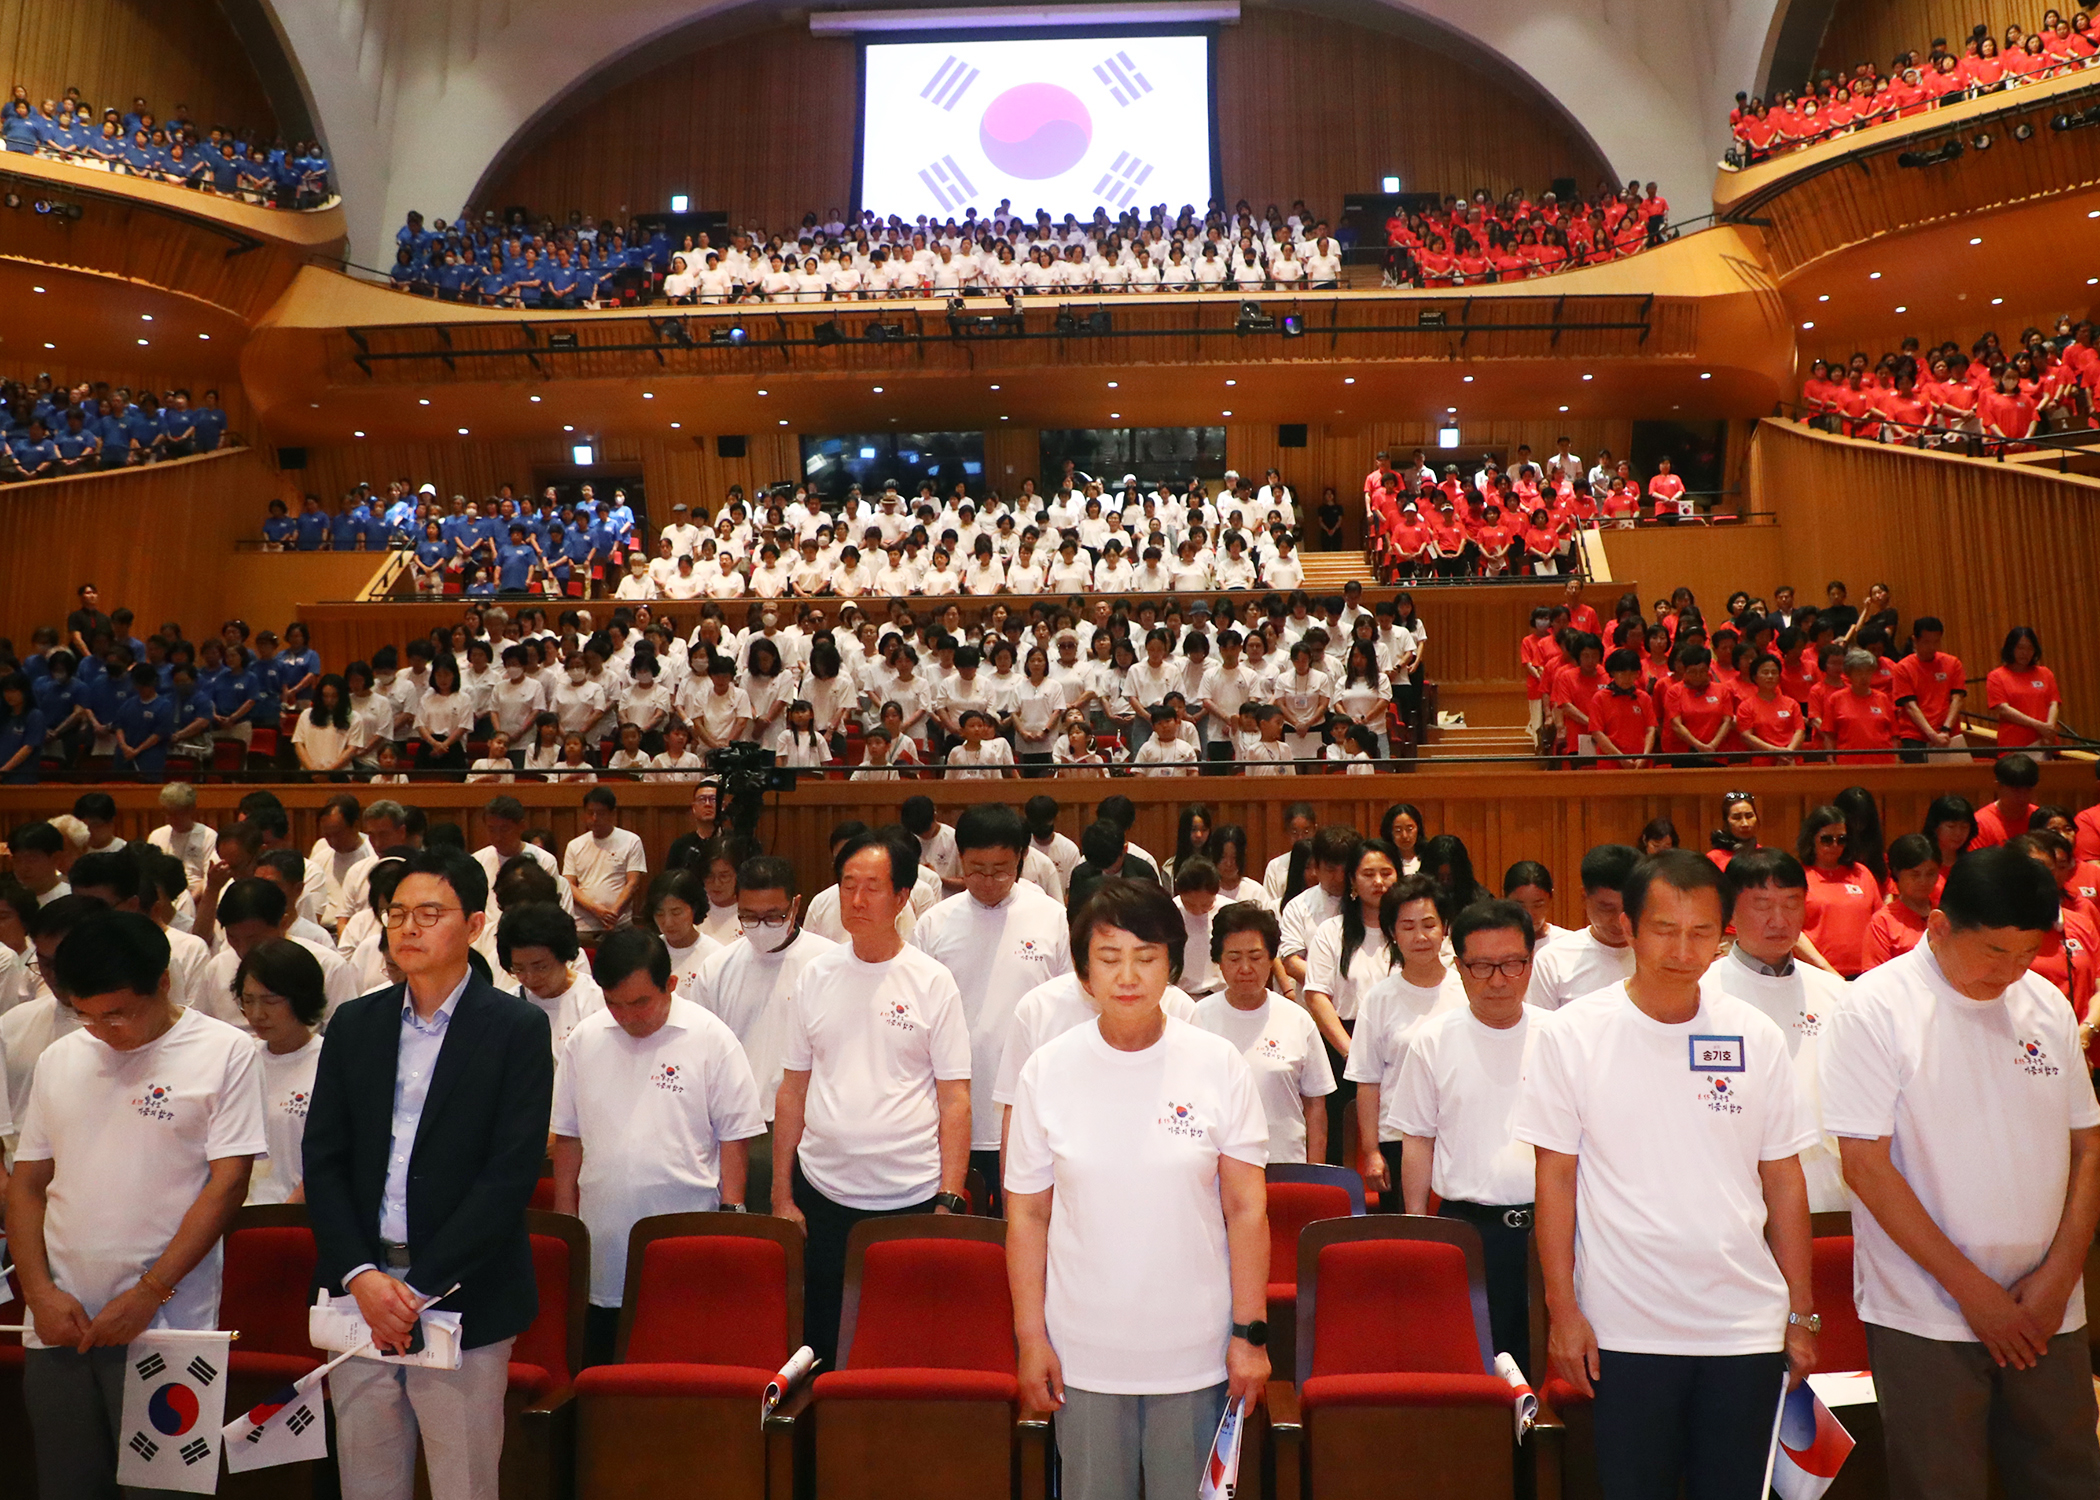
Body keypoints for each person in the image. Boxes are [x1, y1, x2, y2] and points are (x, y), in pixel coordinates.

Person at [1516, 851, 1819, 1499]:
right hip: (1625, 1329)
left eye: (1701, 931)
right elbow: (1556, 1183)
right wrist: (1562, 1309)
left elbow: (1785, 1181)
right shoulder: (1573, 1035)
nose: (1684, 949)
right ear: (1628, 926)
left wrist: (1803, 1313)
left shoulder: (1755, 1036)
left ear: (1723, 932)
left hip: (1744, 1329)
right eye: (1665, 928)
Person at [1822, 845, 2100, 1499]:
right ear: (1941, 926)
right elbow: (1865, 1167)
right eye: (1993, 953)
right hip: (1927, 1314)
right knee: (1940, 1486)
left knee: (2067, 1480)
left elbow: (2088, 1148)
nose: (2009, 972)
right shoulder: (1875, 1009)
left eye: (2025, 953)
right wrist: (1974, 1294)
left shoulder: (2047, 1006)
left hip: (2048, 1309)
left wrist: (2063, 1272)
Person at [302, 848, 554, 1500]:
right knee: (367, 1483)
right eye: (397, 914)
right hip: (359, 1290)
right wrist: (361, 1274)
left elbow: (510, 1173)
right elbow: (323, 1158)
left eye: (429, 914)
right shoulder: (356, 1023)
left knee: (462, 1484)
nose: (408, 927)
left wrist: (420, 1289)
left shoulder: (515, 1029)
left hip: (460, 1295)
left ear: (474, 926)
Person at [1006, 879, 1270, 1500]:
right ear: (1082, 971)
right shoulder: (1046, 1070)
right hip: (1084, 1353)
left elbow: (1247, 1209)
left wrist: (1249, 1335)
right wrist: (1030, 1339)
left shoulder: (1217, 1063)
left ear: (1172, 966)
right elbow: (1027, 1219)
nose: (1128, 976)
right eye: (1108, 958)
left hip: (1196, 1352)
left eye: (1146, 958)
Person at [9, 908, 265, 1500]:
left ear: (163, 983)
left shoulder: (224, 1052)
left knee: (164, 1492)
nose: (103, 1030)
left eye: (119, 1013)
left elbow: (227, 1185)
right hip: (58, 1321)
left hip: (169, 1326)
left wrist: (149, 1292)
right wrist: (40, 1292)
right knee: (67, 1486)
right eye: (86, 1014)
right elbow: (26, 1186)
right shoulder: (61, 1059)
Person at [772, 827, 971, 1367]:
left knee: (904, 1345)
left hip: (910, 1193)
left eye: (873, 887)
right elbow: (793, 1089)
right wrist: (782, 1194)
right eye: (847, 884)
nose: (856, 900)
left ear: (903, 897)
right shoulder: (815, 975)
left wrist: (949, 1199)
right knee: (822, 1343)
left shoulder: (932, 981)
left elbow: (955, 1099)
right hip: (823, 1192)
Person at [553, 928, 765, 1366]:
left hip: (687, 1232)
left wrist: (733, 1213)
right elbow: (568, 1136)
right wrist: (564, 1217)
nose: (627, 1016)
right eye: (614, 1003)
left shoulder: (711, 1038)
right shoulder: (586, 1039)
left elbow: (734, 1137)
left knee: (682, 1357)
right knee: (606, 1363)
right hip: (603, 1236)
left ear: (670, 985)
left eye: (640, 1003)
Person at [1391, 898, 1541, 1372]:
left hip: (1552, 1231)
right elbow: (1417, 1139)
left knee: (1545, 1362)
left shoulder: (1562, 1037)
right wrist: (1416, 1231)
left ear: (1531, 962)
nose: (1498, 980)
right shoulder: (1433, 1040)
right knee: (1473, 1367)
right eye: (1481, 966)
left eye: (1512, 964)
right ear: (1459, 967)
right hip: (1467, 1231)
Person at [907, 804, 1071, 1211]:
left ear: (1022, 859)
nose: (988, 881)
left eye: (1001, 869)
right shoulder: (934, 924)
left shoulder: (1053, 918)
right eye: (976, 869)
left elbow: (1069, 1012)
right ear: (959, 858)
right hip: (954, 1110)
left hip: (1032, 1108)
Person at [684, 854, 836, 1215]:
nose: (761, 926)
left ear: (796, 905)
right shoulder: (718, 967)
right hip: (740, 1126)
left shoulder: (829, 964)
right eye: (749, 916)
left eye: (774, 916)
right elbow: (701, 1054)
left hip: (811, 1125)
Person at [1710, 850, 1849, 1212]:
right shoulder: (1701, 993)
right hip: (1735, 1196)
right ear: (1728, 910)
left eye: (1791, 903)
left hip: (1830, 1192)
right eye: (1761, 904)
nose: (1778, 919)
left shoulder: (1836, 994)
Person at [1349, 876, 1468, 1198]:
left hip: (1459, 1136)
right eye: (1407, 926)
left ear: (1445, 928)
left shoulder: (1468, 990)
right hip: (1397, 1139)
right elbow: (1368, 1080)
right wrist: (1371, 1151)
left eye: (1429, 925)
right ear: (1392, 933)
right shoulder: (1379, 998)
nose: (1420, 937)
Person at [1193, 902, 1334, 1165]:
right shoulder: (1197, 1018)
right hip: (1216, 1165)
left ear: (1271, 960)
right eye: (1234, 958)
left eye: (1256, 957)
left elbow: (1316, 1106)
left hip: (1286, 1164)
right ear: (1218, 962)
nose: (1245, 968)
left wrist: (1314, 1172)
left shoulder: (1297, 1019)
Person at [237, 938, 328, 1205]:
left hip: (302, 1215)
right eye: (248, 1000)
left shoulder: (329, 1062)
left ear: (301, 997)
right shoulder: (241, 1060)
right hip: (242, 1215)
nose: (256, 1014)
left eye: (270, 1001)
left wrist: (288, 1212)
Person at [1524, 844, 1640, 1009]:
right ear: (1584, 898)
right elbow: (1542, 1029)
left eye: (1629, 909)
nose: (1618, 921)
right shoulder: (1553, 961)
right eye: (1607, 908)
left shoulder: (1658, 956)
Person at [496, 901, 604, 1053]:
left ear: (563, 956)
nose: (530, 978)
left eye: (540, 967)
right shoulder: (508, 1007)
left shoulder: (594, 1001)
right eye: (519, 969)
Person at [1798, 804, 1883, 978]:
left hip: (1865, 974)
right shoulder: (1799, 876)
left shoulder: (1862, 873)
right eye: (1827, 839)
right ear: (1812, 839)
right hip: (1816, 974)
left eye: (1841, 839)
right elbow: (1793, 932)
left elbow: (1879, 923)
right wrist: (1827, 971)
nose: (1835, 845)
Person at [562, 785, 647, 935]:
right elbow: (569, 884)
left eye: (601, 813)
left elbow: (633, 883)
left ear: (612, 813)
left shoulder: (631, 840)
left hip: (619, 924)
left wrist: (611, 915)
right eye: (590, 813)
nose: (594, 818)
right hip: (583, 925)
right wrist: (596, 910)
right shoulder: (574, 845)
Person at [1863, 834, 1936, 969]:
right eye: (1915, 874)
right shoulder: (1882, 922)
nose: (1923, 881)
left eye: (1930, 874)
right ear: (1897, 873)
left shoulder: (1946, 913)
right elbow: (1874, 977)